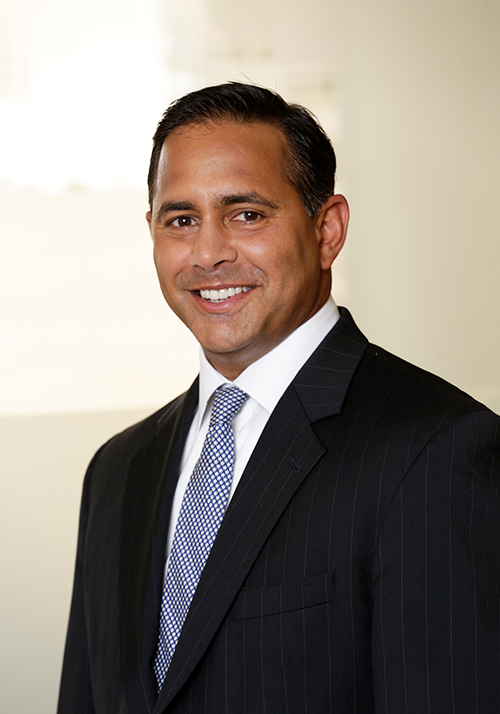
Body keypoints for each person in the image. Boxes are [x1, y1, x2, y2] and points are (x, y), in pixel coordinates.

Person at [58, 83, 500, 714]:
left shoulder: (437, 452)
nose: (208, 253)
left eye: (246, 214)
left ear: (328, 230)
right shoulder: (116, 470)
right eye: (181, 220)